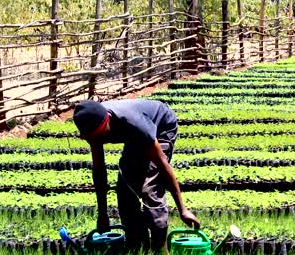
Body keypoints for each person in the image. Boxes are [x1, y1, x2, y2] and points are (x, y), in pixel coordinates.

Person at [73, 99, 200, 254]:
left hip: (161, 125)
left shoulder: (135, 124)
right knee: (125, 189)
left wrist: (182, 209)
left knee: (149, 188)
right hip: (132, 136)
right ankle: (137, 245)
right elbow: (99, 172)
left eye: (99, 135)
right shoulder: (93, 127)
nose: (96, 141)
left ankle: (159, 248)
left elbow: (163, 165)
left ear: (107, 120)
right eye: (91, 138)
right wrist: (103, 214)